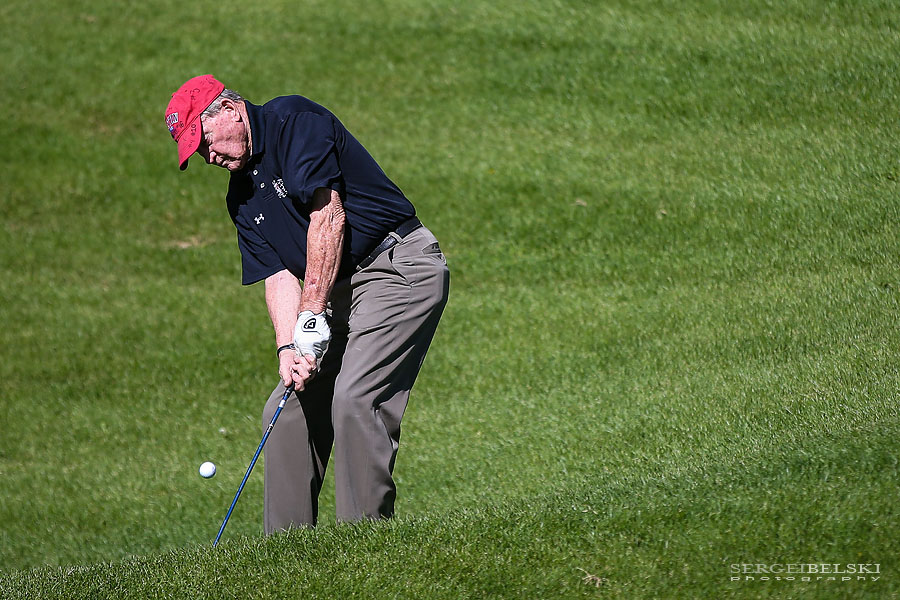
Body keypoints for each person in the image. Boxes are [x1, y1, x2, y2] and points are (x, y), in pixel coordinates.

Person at [165, 75, 449, 531]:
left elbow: (328, 216)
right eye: (198, 152)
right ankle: (287, 551)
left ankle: (363, 541)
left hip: (397, 268)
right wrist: (288, 350)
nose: (208, 156)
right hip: (336, 290)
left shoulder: (293, 122)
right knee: (286, 408)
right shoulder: (240, 198)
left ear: (231, 111)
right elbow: (276, 275)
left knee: (356, 398)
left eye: (206, 141)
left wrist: (311, 315)